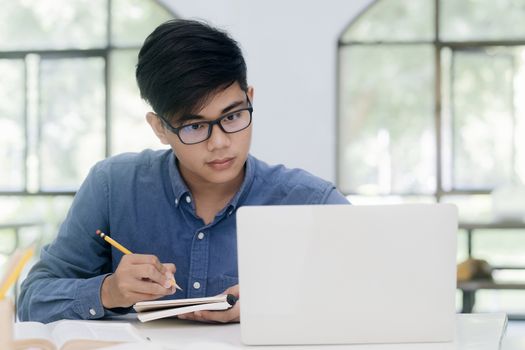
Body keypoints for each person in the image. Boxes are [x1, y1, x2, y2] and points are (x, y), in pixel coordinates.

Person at [18, 19, 348, 324]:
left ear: (250, 98)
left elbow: (383, 292)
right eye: (194, 126)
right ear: (159, 128)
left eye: (232, 117)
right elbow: (32, 299)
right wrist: (108, 291)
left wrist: (277, 304)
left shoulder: (310, 200)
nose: (219, 142)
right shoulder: (112, 186)